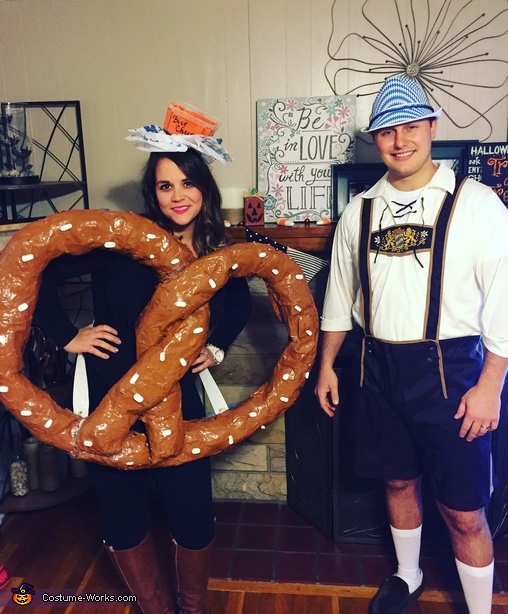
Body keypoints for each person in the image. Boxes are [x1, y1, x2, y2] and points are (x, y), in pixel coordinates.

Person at [33, 121, 252, 614]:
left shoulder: (217, 251)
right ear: (152, 193)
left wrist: (214, 347)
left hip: (179, 400)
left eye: (188, 182)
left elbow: (237, 303)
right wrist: (68, 335)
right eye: (165, 185)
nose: (178, 195)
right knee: (123, 512)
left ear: (204, 187)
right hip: (111, 393)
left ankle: (191, 608)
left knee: (192, 512)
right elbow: (38, 266)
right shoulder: (121, 242)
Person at [314, 75, 508, 614]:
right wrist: (327, 365)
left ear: (431, 128)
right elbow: (338, 298)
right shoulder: (359, 212)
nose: (400, 141)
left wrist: (491, 385)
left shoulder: (478, 204)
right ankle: (408, 575)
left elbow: (504, 303)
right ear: (375, 140)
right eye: (386, 131)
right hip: (375, 367)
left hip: (453, 370)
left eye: (411, 127)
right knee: (398, 481)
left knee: (465, 511)